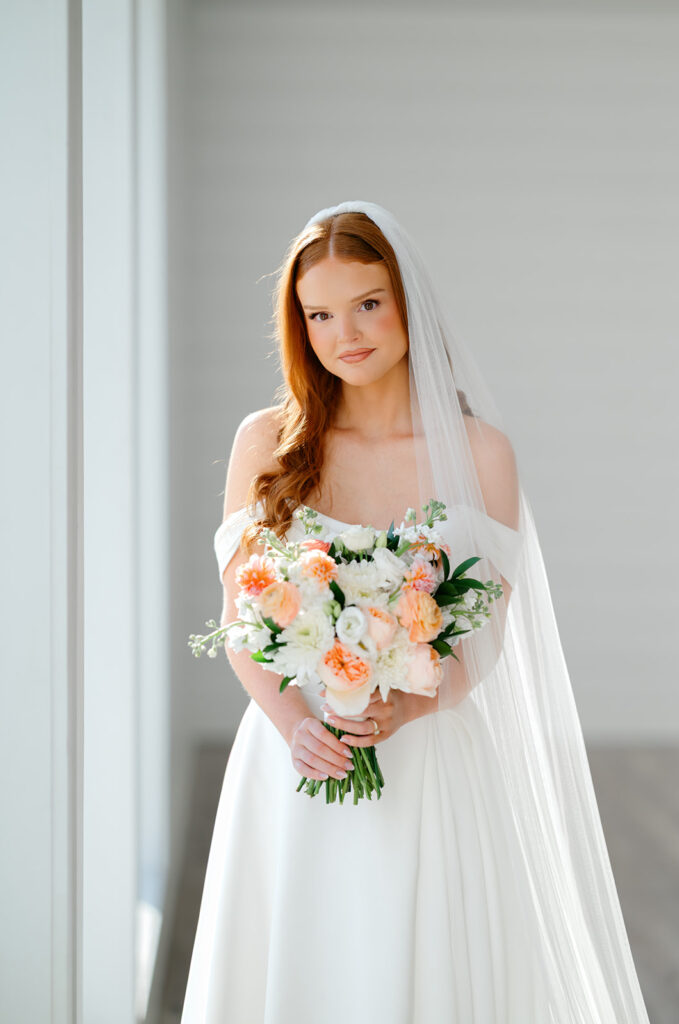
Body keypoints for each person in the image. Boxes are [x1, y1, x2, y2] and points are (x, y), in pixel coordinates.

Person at [180, 201, 651, 1023]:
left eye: (367, 302)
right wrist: (295, 725)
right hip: (295, 759)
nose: (345, 333)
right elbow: (240, 626)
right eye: (318, 313)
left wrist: (412, 704)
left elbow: (488, 640)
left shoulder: (479, 453)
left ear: (408, 302)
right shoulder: (268, 445)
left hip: (429, 758)